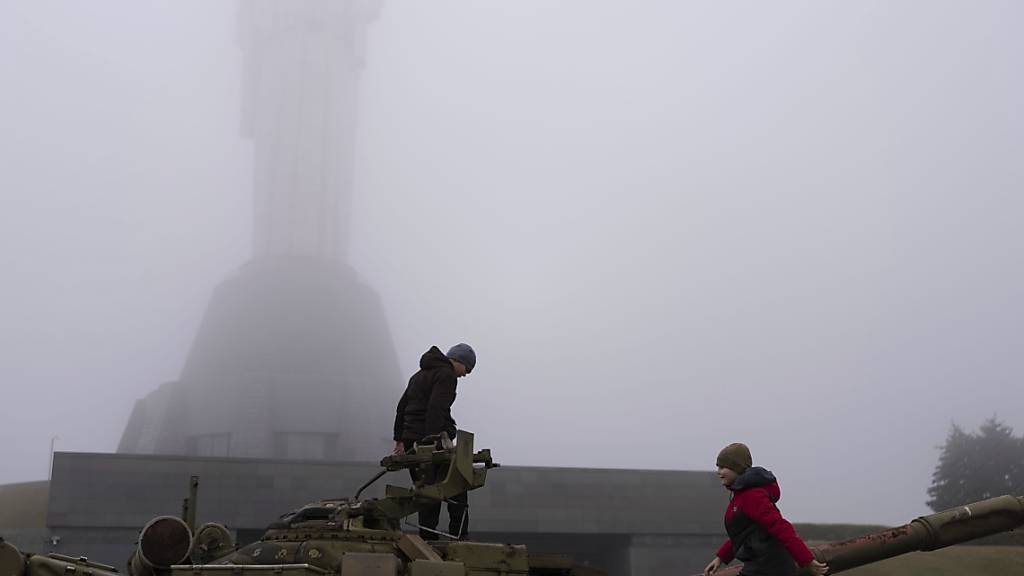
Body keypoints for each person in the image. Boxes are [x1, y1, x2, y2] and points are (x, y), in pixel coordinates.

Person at [703, 443, 829, 576]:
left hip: (770, 569)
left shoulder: (752, 496)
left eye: (722, 467)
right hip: (759, 567)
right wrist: (721, 558)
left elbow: (780, 527)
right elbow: (743, 533)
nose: (718, 472)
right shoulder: (741, 495)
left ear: (737, 468)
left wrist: (806, 560)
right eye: (718, 467)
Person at [392, 343, 477, 540]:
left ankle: (427, 543)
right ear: (458, 361)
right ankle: (459, 541)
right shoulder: (446, 375)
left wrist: (399, 440)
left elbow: (401, 407)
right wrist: (434, 440)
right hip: (431, 440)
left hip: (413, 441)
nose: (465, 375)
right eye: (467, 369)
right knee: (458, 486)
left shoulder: (417, 376)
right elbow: (436, 409)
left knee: (427, 495)